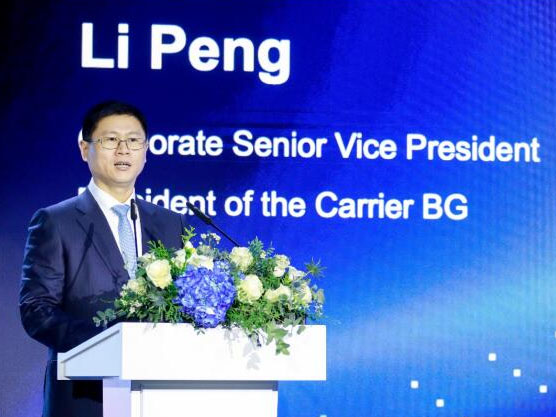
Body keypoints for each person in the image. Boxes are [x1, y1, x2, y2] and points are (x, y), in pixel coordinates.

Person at [20, 101, 186, 417]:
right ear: (85, 149)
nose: (123, 149)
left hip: (160, 394)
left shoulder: (170, 223)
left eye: (133, 140)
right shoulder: (56, 221)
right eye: (110, 140)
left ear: (145, 151)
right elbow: (37, 310)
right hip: (83, 394)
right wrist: (111, 344)